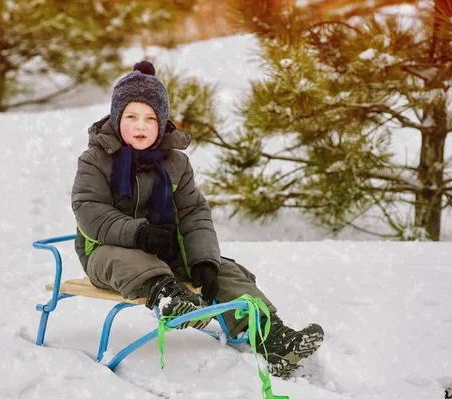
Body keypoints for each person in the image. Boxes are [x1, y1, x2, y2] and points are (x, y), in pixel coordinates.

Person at [71, 60, 323, 377]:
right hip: (105, 250)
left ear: (162, 123)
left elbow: (193, 213)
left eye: (151, 118)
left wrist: (203, 260)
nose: (140, 126)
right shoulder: (95, 159)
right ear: (117, 118)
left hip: (164, 249)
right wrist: (138, 234)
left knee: (226, 270)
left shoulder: (176, 163)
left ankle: (273, 337)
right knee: (124, 258)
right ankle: (169, 298)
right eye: (131, 116)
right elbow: (89, 210)